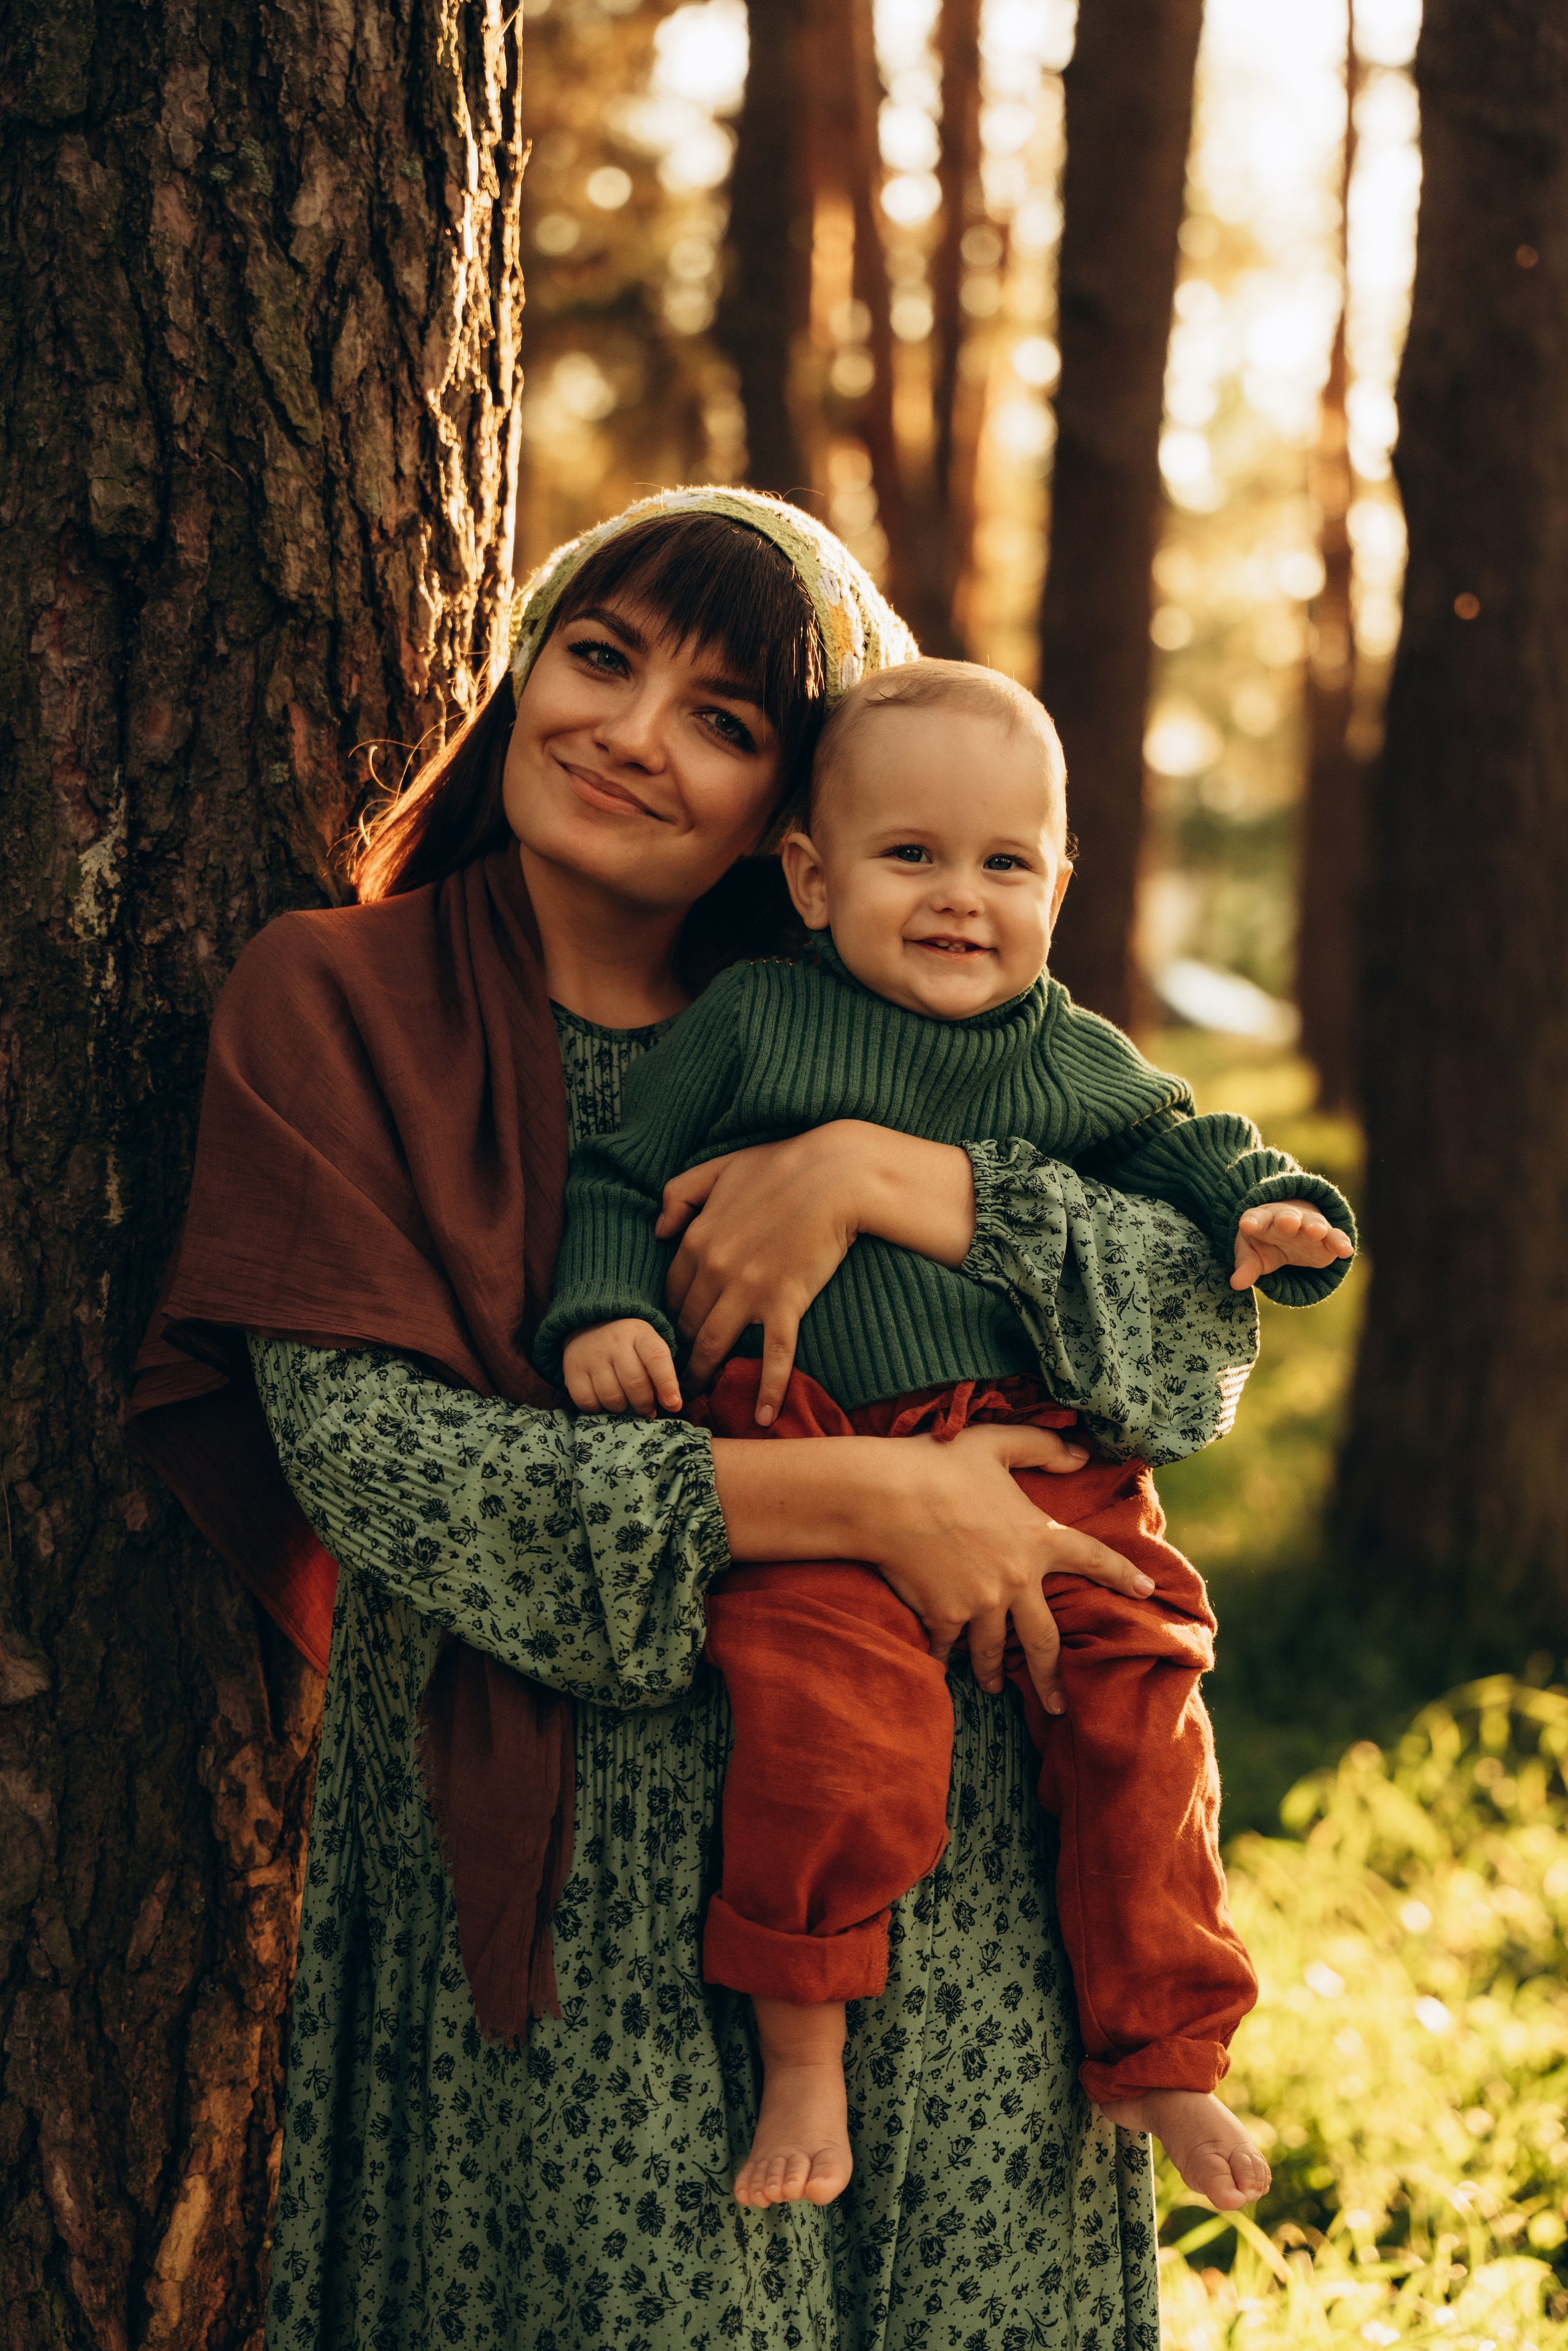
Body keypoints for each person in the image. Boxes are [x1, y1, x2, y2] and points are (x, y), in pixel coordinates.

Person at [130, 487, 1269, 2350]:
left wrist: (900, 1178)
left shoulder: (910, 1021)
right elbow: (386, 1469)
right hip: (582, 1915)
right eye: (601, 654)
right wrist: (880, 1494)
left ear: (793, 819)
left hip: (968, 1860)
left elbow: (1188, 1350)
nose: (636, 734)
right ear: (525, 667)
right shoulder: (337, 1000)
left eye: (728, 718)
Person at [537, 657, 1355, 2218]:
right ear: (809, 873)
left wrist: (1272, 1210)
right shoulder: (751, 1022)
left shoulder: (1066, 1048)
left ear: (1058, 876)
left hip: (1040, 1455)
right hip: (813, 1439)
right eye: (908, 856)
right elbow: (614, 1177)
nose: (957, 899)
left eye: (1002, 863)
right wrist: (599, 1309)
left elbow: (1186, 1148)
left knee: (1144, 1682)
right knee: (825, 1720)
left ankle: (1167, 2038)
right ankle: (802, 2043)